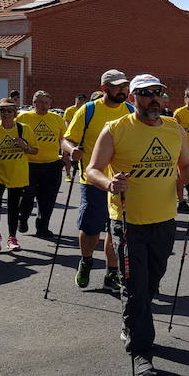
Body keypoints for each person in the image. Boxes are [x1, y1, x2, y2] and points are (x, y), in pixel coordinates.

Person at [86, 74, 189, 376]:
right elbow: (92, 168)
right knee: (136, 287)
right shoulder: (116, 129)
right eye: (146, 94)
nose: (153, 99)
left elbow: (185, 164)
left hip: (164, 221)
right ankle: (141, 352)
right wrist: (109, 182)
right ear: (133, 97)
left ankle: (130, 321)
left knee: (150, 284)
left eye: (158, 93)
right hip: (127, 221)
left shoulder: (175, 129)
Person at [62, 69, 134, 293]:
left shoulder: (130, 110)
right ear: (104, 88)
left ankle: (111, 273)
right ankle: (86, 261)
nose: (123, 90)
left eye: (125, 86)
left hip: (120, 182)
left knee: (116, 230)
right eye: (117, 86)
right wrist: (72, 150)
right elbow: (67, 138)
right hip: (93, 180)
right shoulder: (89, 110)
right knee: (91, 229)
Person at [0, 98, 38, 251]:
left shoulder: (24, 129)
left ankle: (12, 237)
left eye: (9, 111)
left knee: (13, 206)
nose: (5, 114)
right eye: (2, 110)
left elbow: (35, 150)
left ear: (15, 113)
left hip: (16, 173)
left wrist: (24, 145)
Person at [17, 90, 65, 238]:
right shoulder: (24, 117)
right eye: (40, 102)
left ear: (50, 103)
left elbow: (64, 139)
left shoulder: (56, 119)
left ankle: (42, 226)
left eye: (46, 102)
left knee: (48, 198)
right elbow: (14, 136)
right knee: (27, 196)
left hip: (52, 164)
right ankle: (22, 218)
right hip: (29, 164)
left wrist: (65, 158)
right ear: (34, 103)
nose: (43, 105)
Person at [63, 94, 88, 182]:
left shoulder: (86, 110)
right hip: (72, 134)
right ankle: (68, 174)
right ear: (76, 99)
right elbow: (67, 123)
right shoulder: (70, 110)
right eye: (79, 99)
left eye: (82, 100)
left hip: (82, 137)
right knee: (66, 154)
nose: (80, 102)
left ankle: (83, 173)